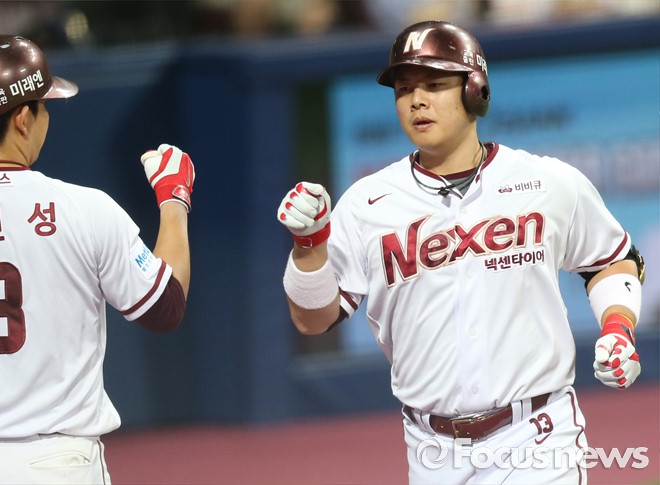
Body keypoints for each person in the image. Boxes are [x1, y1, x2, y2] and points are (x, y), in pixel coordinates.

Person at [276, 20, 644, 484]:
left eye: (434, 85)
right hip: (432, 449)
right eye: (404, 89)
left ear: (475, 90)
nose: (416, 100)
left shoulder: (547, 182)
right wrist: (309, 247)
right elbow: (313, 320)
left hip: (537, 433)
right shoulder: (366, 204)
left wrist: (618, 327)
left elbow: (612, 258)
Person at [0, 35, 194, 484]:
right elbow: (165, 307)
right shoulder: (84, 208)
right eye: (44, 106)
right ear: (22, 119)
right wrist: (173, 200)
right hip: (59, 463)